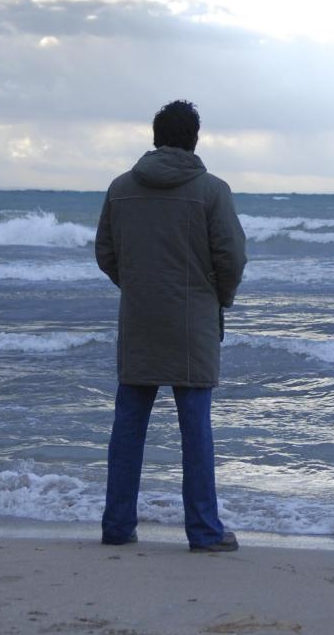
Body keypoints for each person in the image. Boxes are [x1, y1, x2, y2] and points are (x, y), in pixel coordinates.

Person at [94, 100, 247, 552]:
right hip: (193, 321)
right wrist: (218, 297)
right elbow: (231, 257)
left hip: (139, 317)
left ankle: (117, 525)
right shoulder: (212, 190)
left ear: (155, 136)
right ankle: (203, 530)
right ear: (195, 139)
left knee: (128, 426)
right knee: (195, 429)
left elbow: (106, 252)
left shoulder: (121, 188)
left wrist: (137, 285)